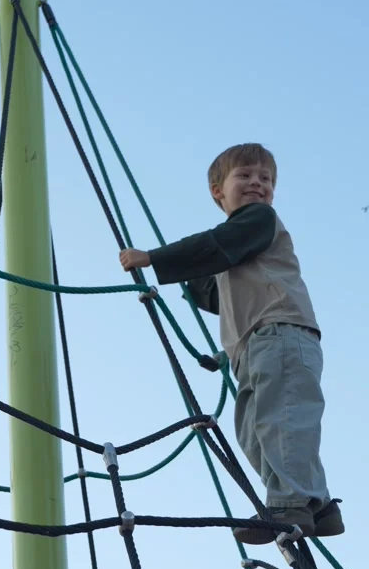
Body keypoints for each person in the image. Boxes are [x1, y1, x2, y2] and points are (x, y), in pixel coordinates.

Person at [119, 143, 344, 544]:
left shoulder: (258, 221)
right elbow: (217, 295)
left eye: (266, 179)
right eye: (245, 176)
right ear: (217, 190)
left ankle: (290, 502)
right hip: (254, 347)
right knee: (252, 431)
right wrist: (221, 351)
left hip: (281, 334)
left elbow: (212, 247)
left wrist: (154, 259)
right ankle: (318, 507)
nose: (258, 183)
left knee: (283, 418)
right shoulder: (235, 251)